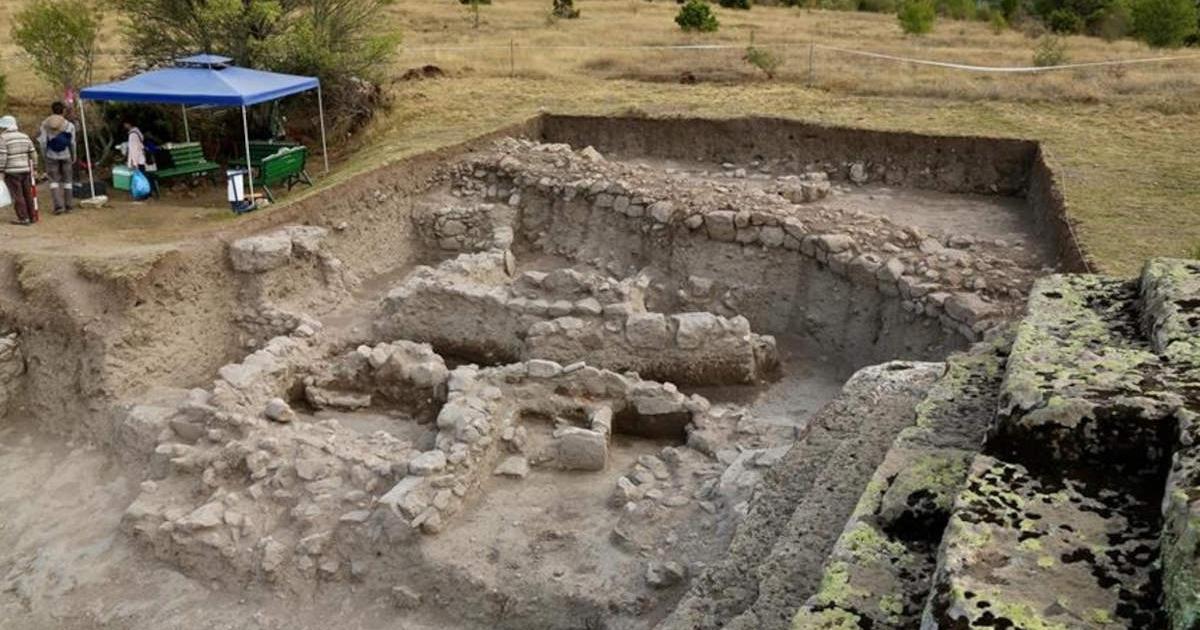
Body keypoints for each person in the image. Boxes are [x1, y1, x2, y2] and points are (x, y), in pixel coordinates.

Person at [37, 101, 76, 214]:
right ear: (63, 111)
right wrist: (74, 155)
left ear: (52, 110)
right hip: (66, 154)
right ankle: (69, 206)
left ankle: (59, 206)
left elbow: (43, 142)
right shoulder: (69, 125)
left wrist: (44, 155)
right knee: (68, 180)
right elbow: (72, 143)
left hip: (51, 155)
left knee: (53, 181)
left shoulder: (45, 124)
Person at [0, 115, 38, 225]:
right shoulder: (24, 136)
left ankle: (23, 218)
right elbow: (33, 153)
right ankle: (32, 216)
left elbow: (2, 156)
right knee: (28, 193)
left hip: (12, 171)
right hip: (26, 169)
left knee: (18, 195)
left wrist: (1, 170)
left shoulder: (3, 138)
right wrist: (35, 167)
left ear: (5, 127)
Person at [124, 119, 158, 199]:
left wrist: (134, 162)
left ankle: (146, 193)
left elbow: (133, 150)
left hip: (138, 159)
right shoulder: (138, 132)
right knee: (145, 175)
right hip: (141, 158)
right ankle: (150, 192)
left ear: (129, 124)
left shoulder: (132, 135)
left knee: (142, 177)